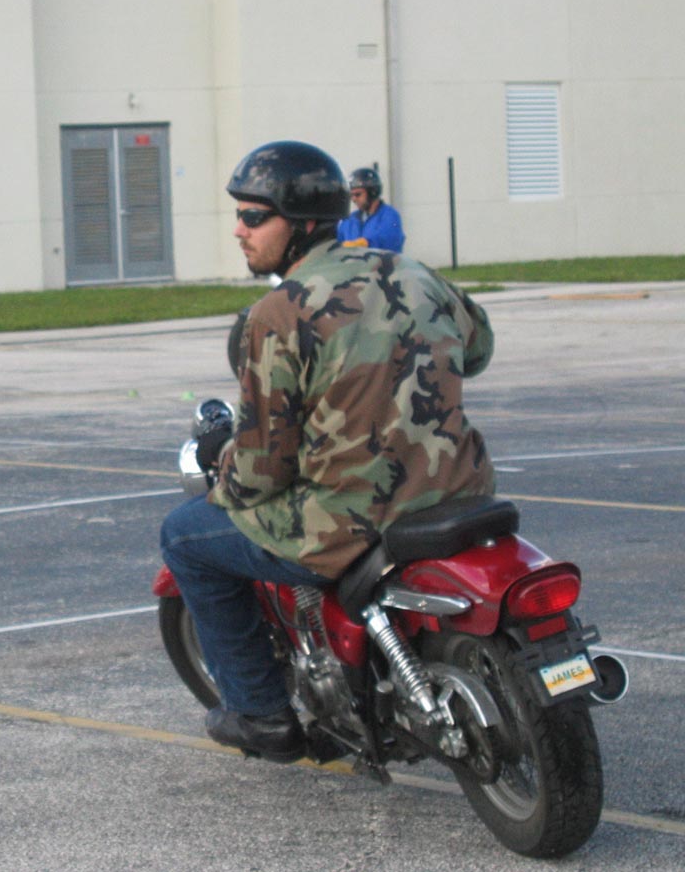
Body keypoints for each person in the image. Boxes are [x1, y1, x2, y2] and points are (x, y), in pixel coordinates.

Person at [159, 141, 495, 761]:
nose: (239, 230)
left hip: (352, 519)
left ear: (301, 223)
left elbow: (263, 468)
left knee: (184, 534)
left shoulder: (278, 312)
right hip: (458, 491)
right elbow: (477, 352)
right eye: (238, 215)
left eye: (253, 216)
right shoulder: (413, 272)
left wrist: (221, 468)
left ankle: (260, 715)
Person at [337, 166, 405, 252]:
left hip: (379, 261)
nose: (353, 199)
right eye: (351, 195)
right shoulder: (349, 220)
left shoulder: (389, 216)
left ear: (373, 192)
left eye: (358, 194)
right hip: (353, 261)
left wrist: (365, 243)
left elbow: (389, 240)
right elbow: (336, 243)